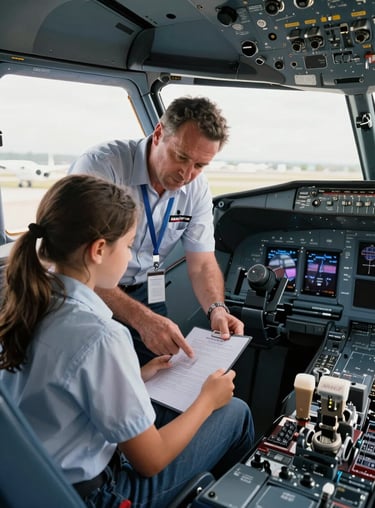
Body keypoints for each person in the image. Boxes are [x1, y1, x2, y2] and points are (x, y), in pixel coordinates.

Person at [0, 174, 254, 508]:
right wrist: (208, 399)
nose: (131, 256)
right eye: (130, 245)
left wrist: (137, 374)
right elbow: (151, 460)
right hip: (95, 495)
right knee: (235, 412)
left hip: (33, 482)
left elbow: (56, 388)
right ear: (100, 250)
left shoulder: (22, 300)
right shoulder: (101, 336)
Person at [69, 96, 245, 364]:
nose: (186, 174)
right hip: (88, 287)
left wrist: (216, 309)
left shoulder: (196, 189)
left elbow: (202, 264)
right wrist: (141, 319)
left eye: (199, 165)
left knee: (168, 368)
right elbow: (78, 263)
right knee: (101, 369)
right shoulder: (102, 167)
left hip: (145, 290)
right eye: (181, 157)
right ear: (159, 134)